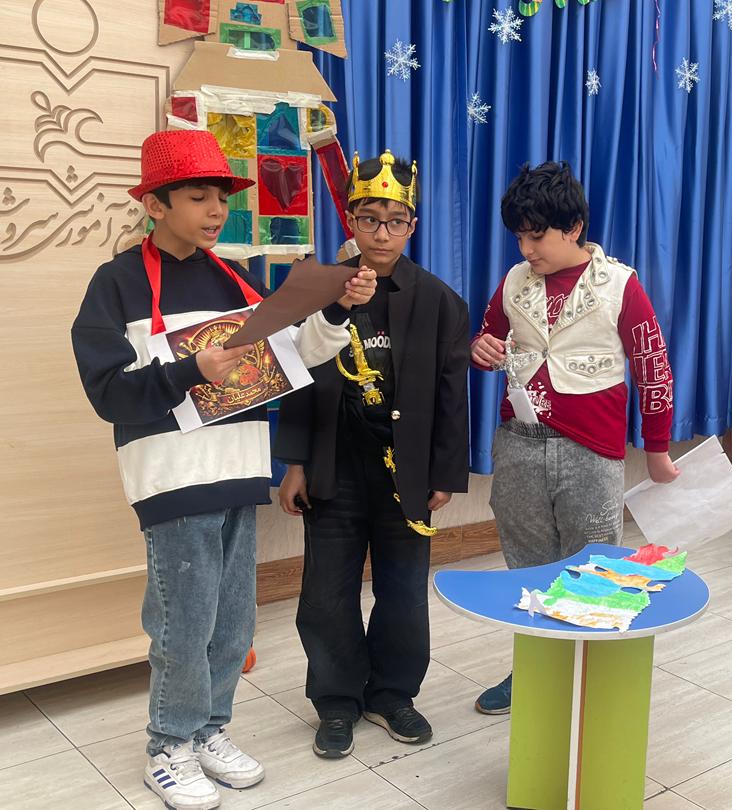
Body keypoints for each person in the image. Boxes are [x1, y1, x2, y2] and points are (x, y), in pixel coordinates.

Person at [72, 130, 374, 810]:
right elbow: (108, 392)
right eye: (198, 197)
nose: (216, 210)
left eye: (221, 197)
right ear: (155, 204)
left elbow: (295, 354)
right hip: (172, 476)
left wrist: (335, 307)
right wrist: (190, 370)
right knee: (183, 622)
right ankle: (168, 746)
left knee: (234, 622)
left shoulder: (233, 278)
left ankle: (208, 729)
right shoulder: (116, 283)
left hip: (238, 468)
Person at [274, 150, 471, 758]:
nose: (382, 233)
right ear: (351, 222)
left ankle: (391, 694)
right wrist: (295, 463)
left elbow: (451, 395)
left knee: (404, 591)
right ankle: (336, 700)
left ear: (412, 225)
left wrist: (444, 472)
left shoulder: (439, 301)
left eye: (395, 221)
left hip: (404, 472)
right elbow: (296, 379)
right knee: (326, 592)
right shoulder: (317, 291)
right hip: (333, 465)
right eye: (369, 219)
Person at [470, 161, 678, 715]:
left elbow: (653, 367)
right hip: (519, 443)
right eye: (518, 237)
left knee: (594, 568)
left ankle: (593, 679)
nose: (526, 249)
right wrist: (480, 350)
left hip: (591, 449)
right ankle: (536, 667)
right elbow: (487, 339)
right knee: (528, 567)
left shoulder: (620, 285)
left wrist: (657, 449)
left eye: (536, 236)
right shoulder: (514, 282)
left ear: (574, 228)